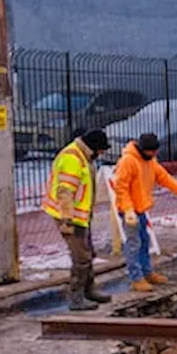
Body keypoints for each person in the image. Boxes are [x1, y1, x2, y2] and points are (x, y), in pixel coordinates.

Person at [112, 132, 177, 292]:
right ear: (144, 149)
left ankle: (147, 272)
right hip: (130, 210)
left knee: (143, 241)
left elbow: (164, 177)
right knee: (134, 243)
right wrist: (128, 210)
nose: (155, 155)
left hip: (140, 209)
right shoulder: (128, 161)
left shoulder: (150, 161)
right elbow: (121, 187)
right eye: (152, 152)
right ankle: (136, 278)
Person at [42, 128, 112, 311]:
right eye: (101, 150)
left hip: (80, 216)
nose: (102, 153)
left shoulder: (83, 156)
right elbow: (65, 193)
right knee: (81, 257)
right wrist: (67, 221)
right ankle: (76, 297)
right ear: (94, 147)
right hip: (70, 217)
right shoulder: (73, 159)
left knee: (88, 253)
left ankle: (88, 290)